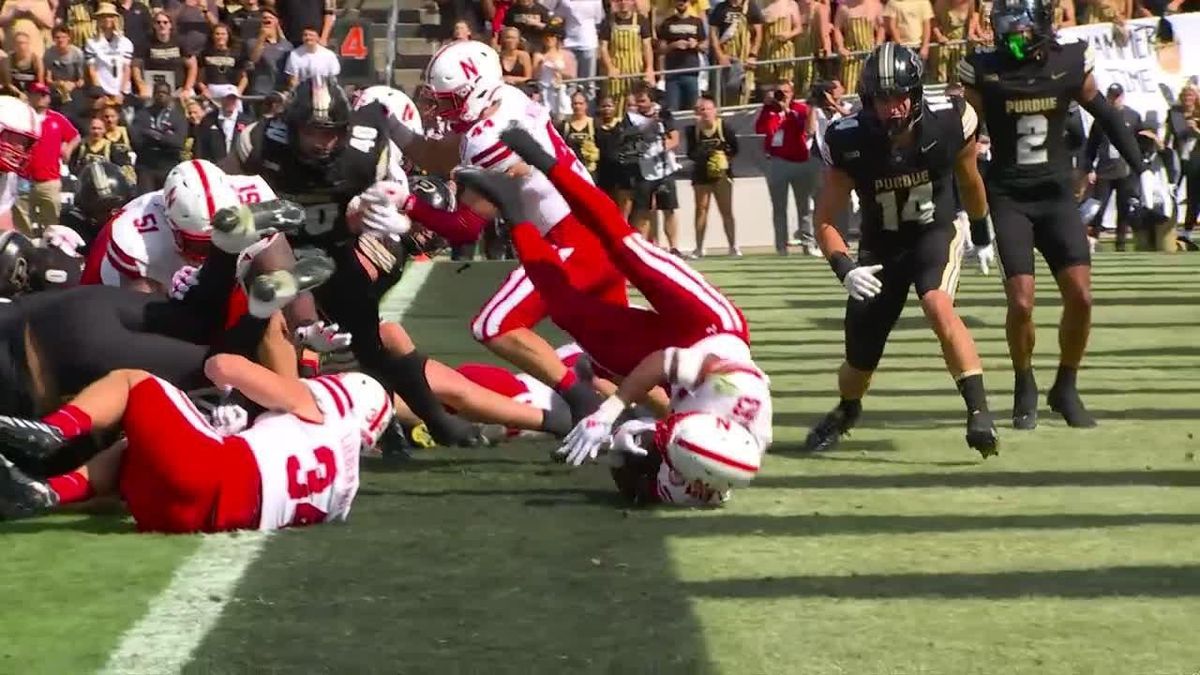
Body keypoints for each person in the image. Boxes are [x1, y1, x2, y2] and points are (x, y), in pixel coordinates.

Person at [454, 127, 771, 497]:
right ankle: (545, 162)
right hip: (710, 325)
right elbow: (665, 362)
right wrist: (608, 412)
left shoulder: (712, 466)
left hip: (677, 365)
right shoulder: (734, 394)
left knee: (569, 312)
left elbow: (688, 459)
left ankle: (511, 207)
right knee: (624, 244)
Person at [229, 75, 485, 447]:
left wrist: (391, 215)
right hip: (268, 249)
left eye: (331, 132)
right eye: (313, 131)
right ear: (292, 126)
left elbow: (385, 203)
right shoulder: (260, 142)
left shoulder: (365, 152)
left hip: (333, 248)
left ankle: (432, 420)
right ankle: (287, 421)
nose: (323, 142)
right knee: (275, 332)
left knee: (371, 342)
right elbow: (220, 186)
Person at [402, 41, 628, 425]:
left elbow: (464, 228)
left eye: (450, 101)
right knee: (617, 361)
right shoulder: (507, 98)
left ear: (476, 91)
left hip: (572, 242)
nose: (442, 110)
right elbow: (443, 152)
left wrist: (406, 205)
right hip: (598, 233)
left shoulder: (486, 139)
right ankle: (679, 419)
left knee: (494, 325)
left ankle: (580, 405)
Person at [959, 0, 1149, 429]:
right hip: (1009, 197)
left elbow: (1106, 115)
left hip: (1057, 196)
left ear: (1042, 24)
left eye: (1020, 30)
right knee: (1021, 301)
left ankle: (1066, 385)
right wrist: (973, 218)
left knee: (1081, 296)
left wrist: (1140, 167)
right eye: (1005, 29)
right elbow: (962, 140)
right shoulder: (983, 69)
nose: (1013, 39)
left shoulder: (1069, 61)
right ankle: (1024, 381)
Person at [806, 43, 999, 457]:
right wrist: (845, 267)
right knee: (858, 362)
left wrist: (981, 232)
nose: (891, 108)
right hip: (880, 248)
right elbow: (824, 219)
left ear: (915, 94)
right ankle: (847, 408)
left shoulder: (950, 121)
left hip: (935, 231)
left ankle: (979, 412)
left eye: (898, 97)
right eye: (881, 98)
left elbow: (969, 180)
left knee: (937, 304)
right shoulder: (847, 138)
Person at [0, 356, 393, 532]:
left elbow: (224, 366)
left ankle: (51, 431)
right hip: (185, 520)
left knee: (132, 381)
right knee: (130, 452)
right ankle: (44, 493)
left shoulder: (325, 405)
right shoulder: (343, 494)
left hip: (210, 472)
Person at [80, 158, 274, 294]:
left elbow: (282, 272)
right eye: (201, 245)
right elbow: (134, 318)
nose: (214, 251)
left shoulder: (257, 202)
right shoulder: (131, 237)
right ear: (170, 223)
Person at [1084, 83, 1142, 250]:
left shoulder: (1133, 116)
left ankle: (1121, 245)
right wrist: (1089, 169)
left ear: (1122, 96)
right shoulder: (1101, 118)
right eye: (1111, 96)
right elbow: (1091, 146)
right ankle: (1092, 241)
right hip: (1104, 171)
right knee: (1097, 209)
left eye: (1117, 96)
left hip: (1125, 170)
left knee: (1124, 210)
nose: (1114, 99)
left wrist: (1140, 165)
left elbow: (1140, 141)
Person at [17, 82, 80, 236]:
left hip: (49, 180)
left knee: (51, 221)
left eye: (43, 94)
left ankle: (50, 251)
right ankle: (26, 247)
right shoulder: (20, 118)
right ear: (29, 96)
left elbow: (75, 136)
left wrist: (68, 148)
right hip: (23, 178)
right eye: (35, 94)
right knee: (21, 220)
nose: (39, 97)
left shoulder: (57, 119)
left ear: (49, 98)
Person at [686, 95, 740, 258]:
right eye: (702, 110)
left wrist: (723, 157)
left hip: (721, 174)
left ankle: (733, 246)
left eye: (708, 109)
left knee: (726, 210)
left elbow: (735, 149)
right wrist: (704, 155)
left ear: (715, 110)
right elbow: (691, 153)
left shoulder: (724, 127)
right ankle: (699, 247)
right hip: (701, 174)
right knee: (701, 209)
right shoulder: (692, 130)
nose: (705, 113)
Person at [0, 96, 39, 233]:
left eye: (25, 143)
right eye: (14, 139)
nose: (19, 149)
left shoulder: (7, 177)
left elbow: (3, 226)